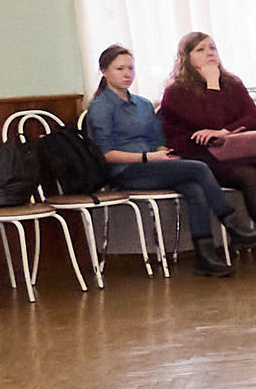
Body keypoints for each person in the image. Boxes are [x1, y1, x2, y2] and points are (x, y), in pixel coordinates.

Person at [154, 33, 256, 265]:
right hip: (201, 154)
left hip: (235, 148)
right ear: (186, 57)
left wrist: (225, 132)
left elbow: (253, 118)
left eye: (212, 47)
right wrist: (212, 84)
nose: (210, 53)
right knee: (249, 176)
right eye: (200, 50)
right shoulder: (176, 91)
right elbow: (210, 119)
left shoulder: (232, 83)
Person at [81, 44, 235, 277]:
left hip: (153, 164)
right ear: (104, 72)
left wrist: (164, 154)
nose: (127, 74)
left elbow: (158, 139)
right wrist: (148, 157)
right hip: (125, 170)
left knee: (193, 187)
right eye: (119, 68)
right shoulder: (100, 108)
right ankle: (231, 221)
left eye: (130, 68)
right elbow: (105, 154)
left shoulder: (143, 104)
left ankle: (205, 257)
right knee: (199, 168)